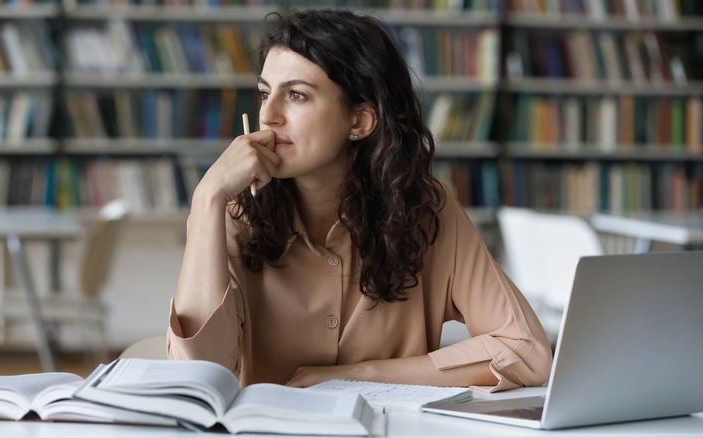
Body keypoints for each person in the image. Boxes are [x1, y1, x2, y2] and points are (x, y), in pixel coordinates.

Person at [167, 8, 552, 392]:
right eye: (265, 93)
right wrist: (206, 199)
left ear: (360, 121)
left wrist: (358, 374)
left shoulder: (428, 211)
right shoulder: (236, 213)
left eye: (297, 95)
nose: (269, 116)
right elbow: (196, 379)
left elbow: (528, 352)